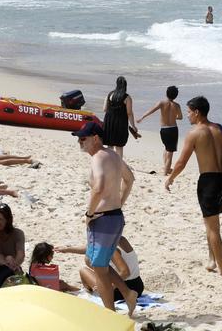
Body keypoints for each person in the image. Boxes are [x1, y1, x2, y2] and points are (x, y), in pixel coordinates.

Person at [73, 121, 136, 315]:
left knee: (99, 268)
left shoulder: (98, 157)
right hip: (115, 217)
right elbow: (130, 178)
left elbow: (98, 187)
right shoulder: (114, 155)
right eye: (78, 138)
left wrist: (89, 213)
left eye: (83, 138)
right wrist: (119, 202)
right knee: (96, 263)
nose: (79, 142)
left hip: (103, 220)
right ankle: (127, 293)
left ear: (96, 138)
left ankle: (110, 314)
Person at [164, 96, 222, 275]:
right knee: (210, 222)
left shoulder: (195, 133)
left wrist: (171, 178)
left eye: (188, 112)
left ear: (197, 112)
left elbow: (181, 162)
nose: (187, 116)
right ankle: (212, 260)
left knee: (213, 227)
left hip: (208, 181)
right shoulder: (221, 129)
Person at [139, 85, 182, 174]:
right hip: (173, 129)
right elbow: (180, 117)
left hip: (164, 130)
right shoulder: (177, 105)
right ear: (176, 95)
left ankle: (166, 167)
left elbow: (151, 110)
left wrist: (142, 117)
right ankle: (166, 172)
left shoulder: (162, 103)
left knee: (166, 148)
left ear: (166, 93)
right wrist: (174, 117)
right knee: (170, 152)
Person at [101, 76, 140, 156]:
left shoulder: (109, 95)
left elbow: (104, 109)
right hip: (120, 123)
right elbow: (129, 113)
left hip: (109, 122)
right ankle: (118, 165)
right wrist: (133, 126)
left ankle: (110, 163)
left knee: (110, 145)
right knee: (119, 146)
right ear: (125, 86)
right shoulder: (127, 97)